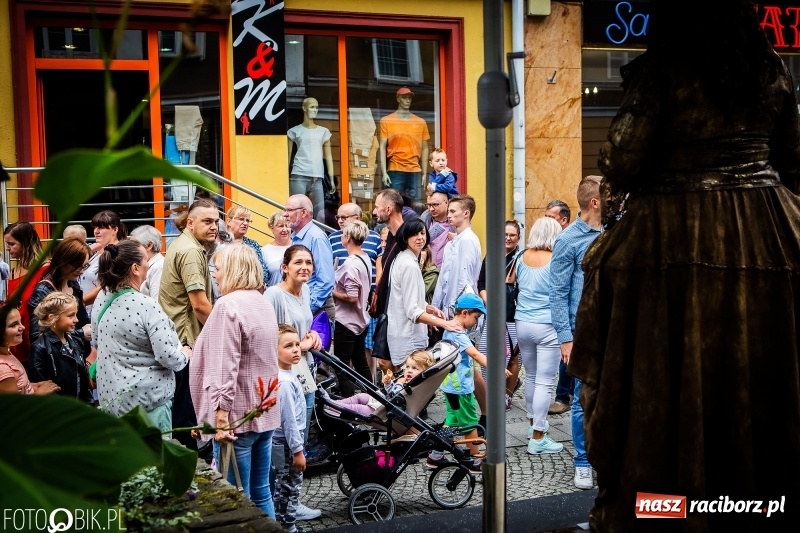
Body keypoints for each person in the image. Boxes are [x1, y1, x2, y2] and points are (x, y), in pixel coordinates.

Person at [571, 2, 800, 530]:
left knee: (657, 374)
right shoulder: (769, 70)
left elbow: (622, 158)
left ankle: (667, 509)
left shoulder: (665, 68)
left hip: (671, 231)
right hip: (769, 228)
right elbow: (792, 157)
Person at [190, 243, 279, 518]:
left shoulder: (228, 306)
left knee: (234, 498)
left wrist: (219, 418)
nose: (214, 275)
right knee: (261, 491)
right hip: (262, 413)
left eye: (217, 269)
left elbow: (224, 367)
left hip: (236, 418)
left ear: (232, 270)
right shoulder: (261, 301)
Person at [93, 240, 190, 431]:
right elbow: (168, 357)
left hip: (113, 403)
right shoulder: (147, 305)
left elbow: (96, 340)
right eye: (146, 260)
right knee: (152, 459)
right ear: (135, 268)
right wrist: (186, 354)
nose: (149, 264)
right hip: (147, 407)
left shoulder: (101, 297)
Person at [262, 245, 323, 522]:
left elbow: (298, 327)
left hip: (304, 370)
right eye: (298, 262)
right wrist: (303, 343)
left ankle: (291, 499)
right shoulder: (274, 294)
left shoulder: (306, 290)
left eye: (308, 262)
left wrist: (310, 335)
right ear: (284, 267)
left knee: (300, 430)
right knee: (284, 439)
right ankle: (281, 503)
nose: (304, 267)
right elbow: (269, 334)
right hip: (284, 375)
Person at [549, 175, 602, 491]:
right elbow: (557, 290)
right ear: (595, 203)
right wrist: (564, 337)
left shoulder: (614, 232)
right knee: (583, 399)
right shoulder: (569, 240)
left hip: (613, 329)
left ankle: (606, 456)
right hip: (581, 332)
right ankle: (583, 462)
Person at [159, 198, 218, 449]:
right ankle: (191, 471)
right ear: (190, 223)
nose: (214, 226)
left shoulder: (184, 243)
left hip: (178, 336)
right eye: (207, 221)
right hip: (185, 339)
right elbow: (200, 305)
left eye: (216, 221)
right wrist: (223, 331)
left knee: (183, 411)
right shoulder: (191, 251)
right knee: (185, 414)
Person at [427, 293, 500, 473]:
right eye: (476, 317)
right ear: (465, 313)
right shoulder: (459, 334)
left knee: (451, 421)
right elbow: (474, 353)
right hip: (461, 388)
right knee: (470, 423)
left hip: (451, 385)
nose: (476, 322)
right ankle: (474, 460)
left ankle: (435, 455)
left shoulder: (450, 330)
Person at [514, 217, 563, 454]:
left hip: (523, 322)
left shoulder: (520, 257)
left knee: (531, 376)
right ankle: (538, 436)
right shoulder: (556, 260)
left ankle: (533, 423)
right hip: (547, 325)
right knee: (545, 381)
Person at [386, 218, 460, 370]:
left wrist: (427, 307)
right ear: (405, 238)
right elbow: (412, 311)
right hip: (408, 337)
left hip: (402, 334)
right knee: (411, 386)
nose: (420, 237)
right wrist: (444, 323)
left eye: (422, 233)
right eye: (414, 234)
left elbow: (406, 298)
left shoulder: (403, 258)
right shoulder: (409, 264)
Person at [477, 219, 523, 413]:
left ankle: (506, 394)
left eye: (512, 235)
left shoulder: (521, 259)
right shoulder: (492, 257)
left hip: (513, 316)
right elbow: (481, 284)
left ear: (518, 238)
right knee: (488, 352)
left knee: (514, 357)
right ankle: (491, 392)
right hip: (492, 314)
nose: (508, 238)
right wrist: (490, 302)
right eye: (505, 234)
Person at [273, 323, 308, 533]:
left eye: (297, 344)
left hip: (286, 443)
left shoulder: (286, 373)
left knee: (285, 486)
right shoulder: (284, 382)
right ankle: (287, 527)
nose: (296, 349)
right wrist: (298, 451)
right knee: (288, 487)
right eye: (288, 346)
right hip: (287, 444)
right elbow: (289, 421)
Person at [324, 350, 434, 417]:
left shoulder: (414, 386)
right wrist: (388, 383)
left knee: (357, 408)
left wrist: (400, 384)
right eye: (408, 367)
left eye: (414, 368)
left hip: (382, 410)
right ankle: (335, 403)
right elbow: (391, 391)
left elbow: (399, 397)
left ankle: (332, 406)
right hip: (381, 400)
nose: (409, 370)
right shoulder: (407, 381)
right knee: (360, 396)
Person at [27, 238, 92, 351]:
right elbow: (37, 337)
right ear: (63, 261)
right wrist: (80, 334)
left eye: (84, 266)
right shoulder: (43, 291)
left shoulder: (73, 283)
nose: (81, 271)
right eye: (77, 266)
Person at [331, 221, 372, 396]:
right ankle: (373, 398)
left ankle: (347, 403)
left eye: (342, 234)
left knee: (341, 366)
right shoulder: (365, 257)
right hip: (361, 320)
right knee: (360, 362)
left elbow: (352, 296)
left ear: (348, 237)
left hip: (347, 322)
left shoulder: (350, 264)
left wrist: (333, 292)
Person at [29, 292, 92, 403]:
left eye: (76, 314)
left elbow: (83, 379)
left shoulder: (75, 340)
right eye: (70, 315)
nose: (76, 320)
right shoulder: (40, 348)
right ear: (53, 318)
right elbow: (41, 386)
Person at [431, 195, 482, 319]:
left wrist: (460, 312)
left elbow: (465, 279)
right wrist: (435, 309)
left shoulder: (468, 240)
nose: (448, 215)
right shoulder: (451, 244)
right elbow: (443, 279)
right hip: (447, 311)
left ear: (466, 213)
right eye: (448, 211)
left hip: (460, 312)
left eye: (453, 211)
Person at [284, 194, 334, 318]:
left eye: (289, 210)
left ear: (303, 212)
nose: (285, 214)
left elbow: (326, 279)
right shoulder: (296, 237)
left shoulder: (316, 237)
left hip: (316, 309)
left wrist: (309, 307)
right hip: (300, 305)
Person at [4, 221, 46, 364]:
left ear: (25, 243)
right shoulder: (12, 273)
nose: (8, 249)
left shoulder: (45, 270)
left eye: (12, 244)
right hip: (17, 341)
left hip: (38, 339)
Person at [379, 86, 430, 202]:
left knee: (416, 205)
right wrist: (383, 172)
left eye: (409, 98)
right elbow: (382, 147)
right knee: (394, 204)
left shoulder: (420, 122)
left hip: (414, 170)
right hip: (395, 169)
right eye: (404, 97)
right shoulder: (387, 121)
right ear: (398, 99)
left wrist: (424, 173)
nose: (407, 100)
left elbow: (425, 148)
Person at [287, 97, 335, 217]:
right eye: (312, 107)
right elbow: (287, 156)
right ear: (304, 108)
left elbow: (329, 157)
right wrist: (285, 175)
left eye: (317, 107)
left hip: (317, 176)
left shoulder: (323, 132)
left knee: (319, 212)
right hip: (299, 174)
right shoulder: (295, 131)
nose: (315, 110)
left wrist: (332, 179)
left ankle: (318, 234)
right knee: (296, 209)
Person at [0, 305, 60, 395]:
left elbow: (18, 387)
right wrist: (40, 393)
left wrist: (32, 386)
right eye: (14, 325)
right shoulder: (2, 368)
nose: (22, 327)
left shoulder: (6, 353)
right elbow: (13, 406)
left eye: (20, 322)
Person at [82, 210, 127, 316]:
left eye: (101, 227)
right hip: (87, 311)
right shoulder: (96, 250)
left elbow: (105, 287)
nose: (96, 231)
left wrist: (77, 303)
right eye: (95, 227)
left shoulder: (118, 253)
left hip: (101, 312)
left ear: (115, 229)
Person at [224, 206, 268, 286]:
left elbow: (263, 274)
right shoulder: (221, 243)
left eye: (247, 220)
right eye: (241, 219)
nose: (245, 223)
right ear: (229, 221)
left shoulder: (252, 244)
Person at [129, 225, 165, 299]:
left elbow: (157, 302)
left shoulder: (159, 267)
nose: (131, 250)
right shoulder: (147, 265)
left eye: (135, 245)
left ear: (149, 245)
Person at [419, 191, 451, 268]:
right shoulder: (424, 221)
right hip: (428, 272)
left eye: (435, 205)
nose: (431, 209)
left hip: (448, 272)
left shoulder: (456, 223)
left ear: (446, 202)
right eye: (428, 205)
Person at [262, 213, 292, 287]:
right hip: (274, 296)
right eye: (281, 226)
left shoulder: (298, 246)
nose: (285, 229)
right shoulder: (264, 251)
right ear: (272, 229)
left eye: (287, 226)